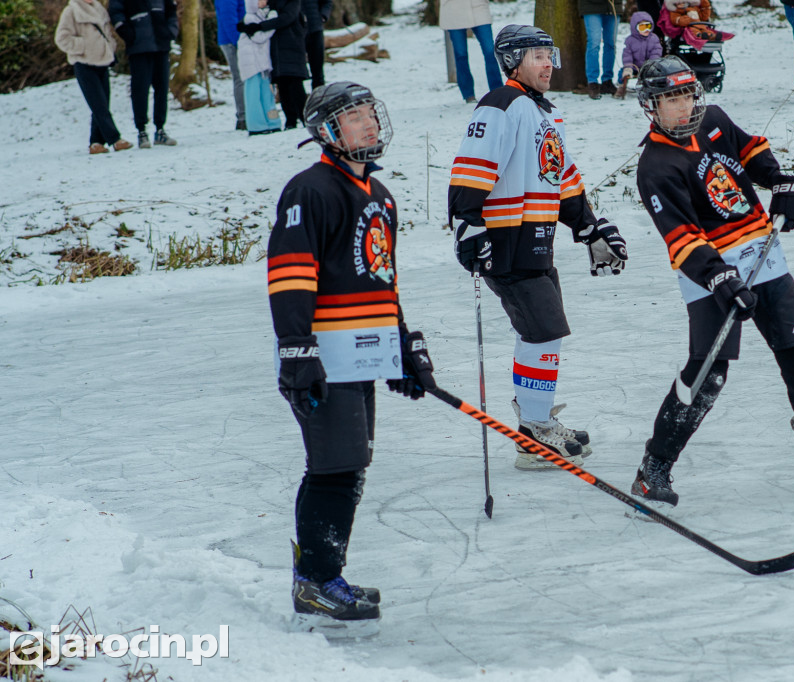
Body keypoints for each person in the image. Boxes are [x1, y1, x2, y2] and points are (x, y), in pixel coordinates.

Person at [628, 56, 794, 506]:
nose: (682, 107)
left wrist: (780, 181)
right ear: (652, 107)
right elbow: (681, 239)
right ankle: (654, 467)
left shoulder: (714, 120)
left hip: (763, 254)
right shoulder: (656, 167)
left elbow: (751, 149)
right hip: (709, 273)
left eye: (687, 95)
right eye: (670, 99)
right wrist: (719, 277)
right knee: (708, 374)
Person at [267, 81, 436, 628]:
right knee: (335, 468)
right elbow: (290, 278)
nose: (367, 123)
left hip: (361, 354)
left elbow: (381, 280)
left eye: (369, 113)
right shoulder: (309, 190)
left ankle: (323, 574)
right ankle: (315, 582)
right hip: (323, 358)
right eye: (352, 117)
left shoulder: (380, 195)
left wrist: (402, 348)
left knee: (351, 468)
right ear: (325, 132)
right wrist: (297, 353)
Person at [448, 24, 628, 470]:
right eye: (537, 56)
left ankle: (536, 420)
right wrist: (468, 225)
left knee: (543, 331)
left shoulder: (543, 112)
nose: (549, 64)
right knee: (542, 329)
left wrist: (589, 228)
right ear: (512, 62)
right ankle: (532, 433)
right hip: (503, 240)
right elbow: (471, 170)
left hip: (536, 238)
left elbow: (561, 179)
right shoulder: (500, 106)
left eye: (550, 55)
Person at [54, 0, 133, 154]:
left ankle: (96, 143)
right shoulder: (71, 11)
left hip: (102, 62)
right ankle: (115, 139)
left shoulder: (99, 9)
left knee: (102, 103)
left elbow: (106, 33)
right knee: (99, 105)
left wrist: (109, 47)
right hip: (84, 63)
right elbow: (62, 38)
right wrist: (84, 46)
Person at [109, 0, 179, 147]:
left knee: (162, 89)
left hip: (161, 45)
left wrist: (171, 31)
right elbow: (115, 12)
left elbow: (171, 10)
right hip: (138, 48)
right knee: (140, 90)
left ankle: (160, 129)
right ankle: (141, 131)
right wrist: (128, 33)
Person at [238, 0, 309, 129]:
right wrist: (245, 25)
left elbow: (287, 17)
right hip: (274, 48)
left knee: (295, 83)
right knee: (282, 84)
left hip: (291, 44)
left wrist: (260, 26)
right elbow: (257, 13)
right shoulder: (270, 2)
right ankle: (290, 120)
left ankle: (304, 118)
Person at [440, 0, 504, 103]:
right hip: (453, 10)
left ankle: (497, 91)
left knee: (489, 51)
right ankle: (468, 94)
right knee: (461, 54)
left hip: (478, 8)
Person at [238, 0, 283, 134]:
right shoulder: (250, 17)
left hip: (262, 62)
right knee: (253, 94)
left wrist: (266, 24)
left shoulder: (262, 15)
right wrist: (272, 22)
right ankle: (256, 125)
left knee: (266, 93)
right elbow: (260, 37)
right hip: (252, 63)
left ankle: (272, 121)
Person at [579, 0, 624, 99]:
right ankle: (592, 82)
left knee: (611, 44)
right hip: (591, 7)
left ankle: (607, 81)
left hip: (613, 7)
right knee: (594, 43)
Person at [614, 10, 662, 99]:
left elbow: (656, 52)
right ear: (635, 28)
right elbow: (627, 55)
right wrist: (628, 66)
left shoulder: (653, 39)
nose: (646, 30)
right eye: (642, 27)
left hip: (649, 67)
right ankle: (621, 87)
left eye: (648, 26)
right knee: (622, 73)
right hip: (634, 67)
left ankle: (654, 88)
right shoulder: (630, 40)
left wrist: (652, 64)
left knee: (658, 73)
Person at [215, 0, 247, 130]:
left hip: (237, 39)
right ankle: (243, 117)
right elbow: (228, 18)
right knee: (240, 78)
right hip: (232, 40)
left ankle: (245, 115)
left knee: (242, 78)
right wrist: (238, 42)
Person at [301, 0, 332, 88]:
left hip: (315, 29)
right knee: (297, 73)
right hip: (296, 32)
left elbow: (327, 2)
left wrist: (323, 16)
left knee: (318, 71)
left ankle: (319, 97)